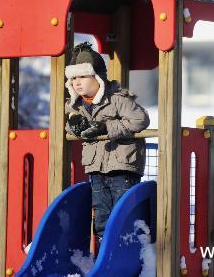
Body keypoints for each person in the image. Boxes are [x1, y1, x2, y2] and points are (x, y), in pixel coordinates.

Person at [64, 42, 150, 243]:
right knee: (101, 211)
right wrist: (76, 127)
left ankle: (126, 243)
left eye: (83, 76)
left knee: (123, 208)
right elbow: (68, 128)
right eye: (73, 78)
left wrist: (106, 128)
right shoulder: (76, 106)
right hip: (96, 168)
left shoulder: (117, 99)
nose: (77, 82)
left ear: (98, 78)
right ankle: (104, 246)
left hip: (121, 165)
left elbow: (140, 119)